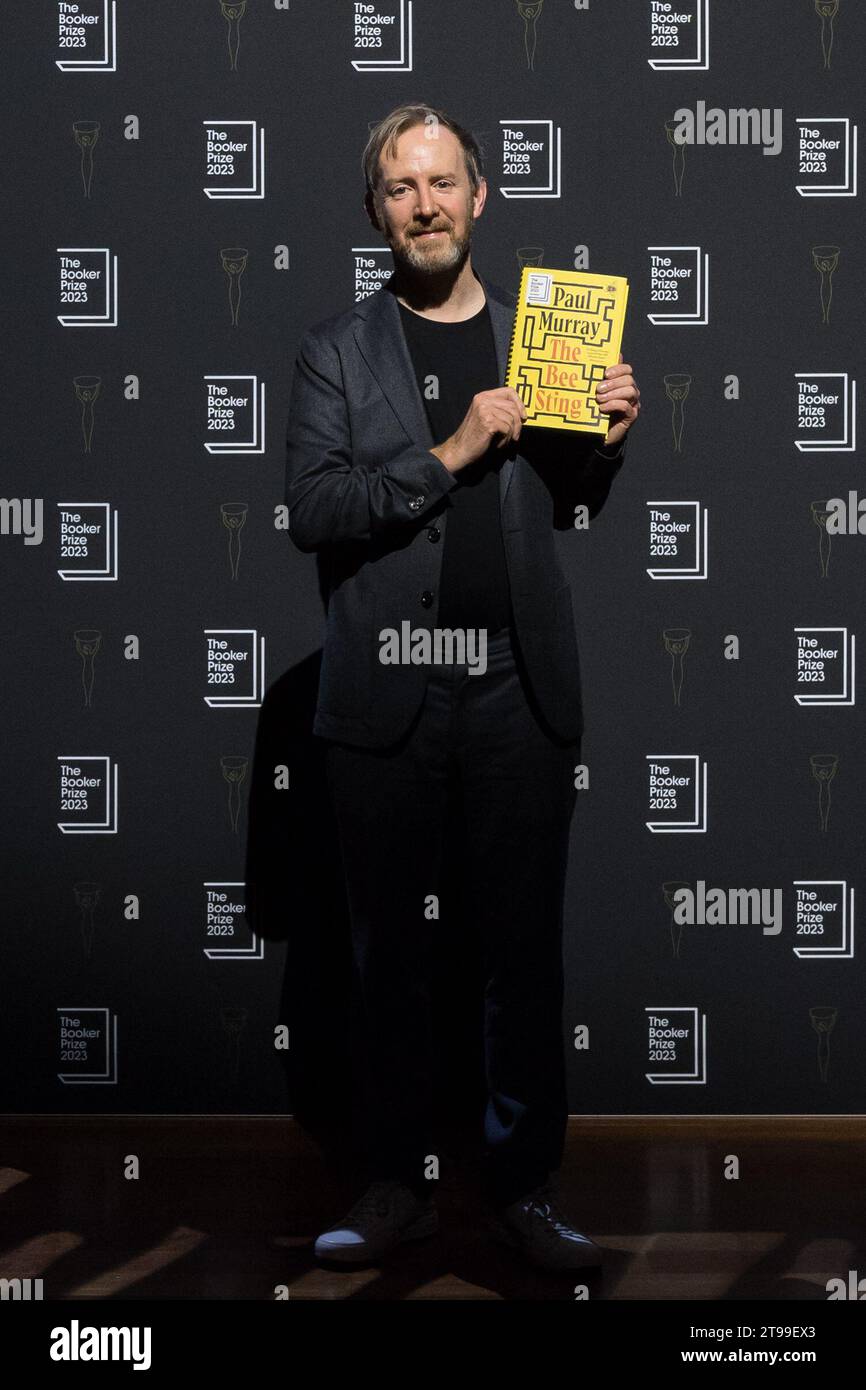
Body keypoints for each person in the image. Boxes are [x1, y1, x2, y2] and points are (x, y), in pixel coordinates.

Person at [284, 103, 640, 1271]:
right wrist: (448, 452)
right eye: (400, 188)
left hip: (514, 692)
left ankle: (523, 1196)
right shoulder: (337, 350)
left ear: (479, 196)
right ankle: (392, 1188)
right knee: (385, 956)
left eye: (442, 183)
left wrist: (605, 439)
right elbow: (317, 512)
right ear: (377, 210)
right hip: (387, 691)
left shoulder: (547, 338)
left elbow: (572, 512)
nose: (425, 205)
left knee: (518, 957)